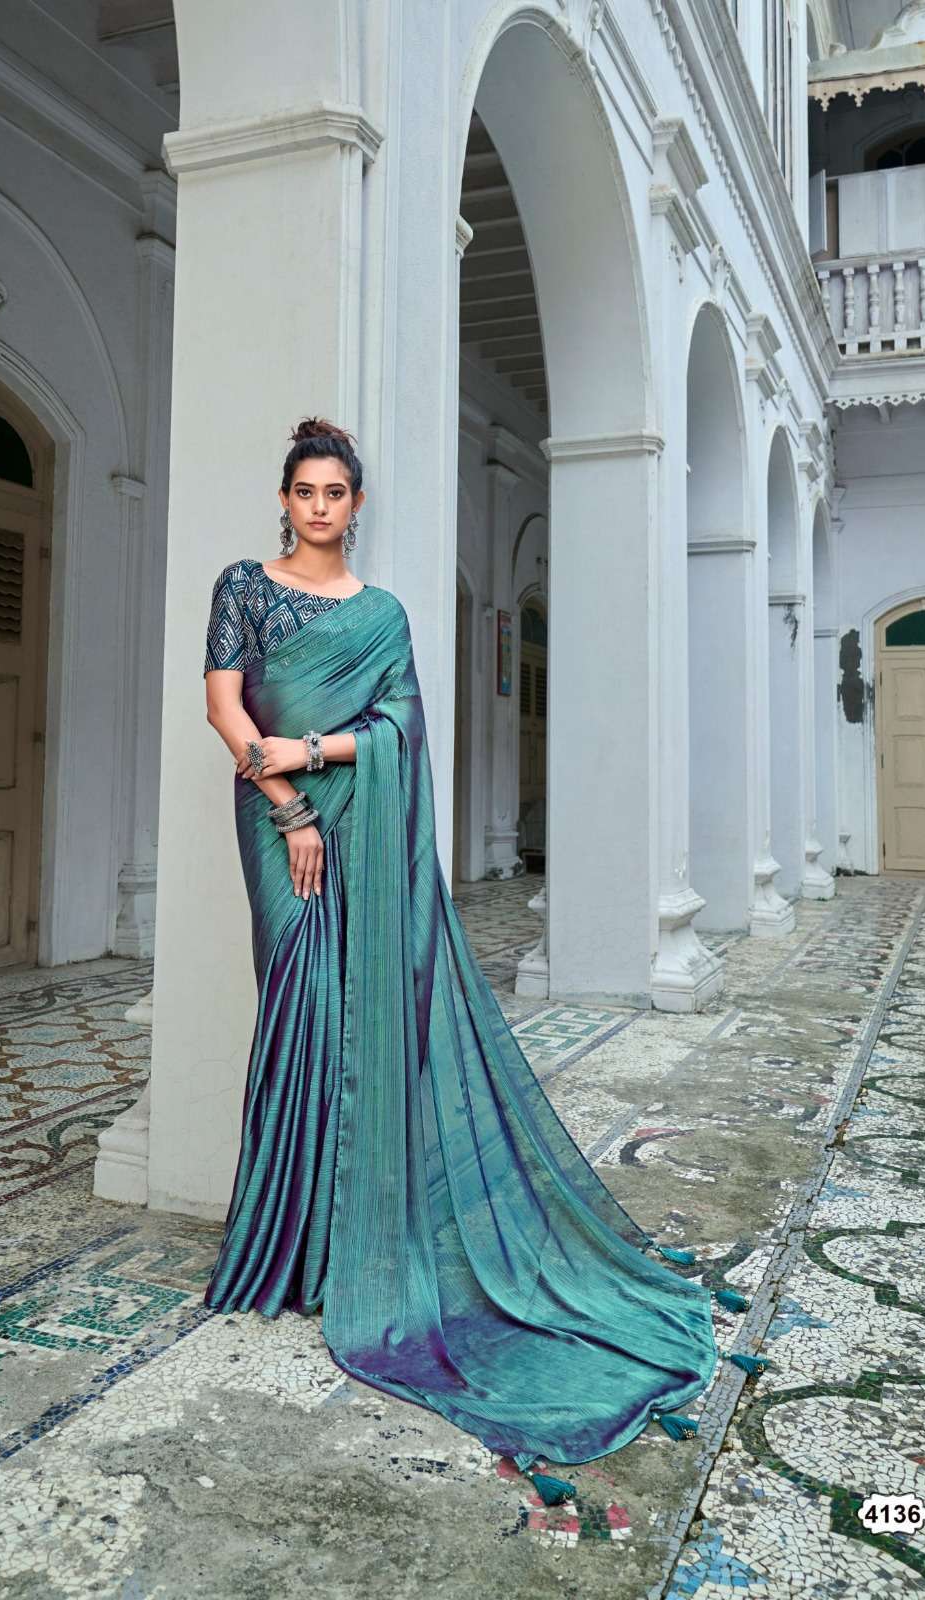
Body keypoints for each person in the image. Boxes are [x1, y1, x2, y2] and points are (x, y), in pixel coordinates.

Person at [200, 418, 744, 1503]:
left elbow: (400, 726)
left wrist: (316, 750)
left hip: (357, 809)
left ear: (357, 504)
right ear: (285, 499)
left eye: (336, 492)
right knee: (298, 1001)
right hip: (278, 821)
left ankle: (348, 1250)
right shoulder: (244, 587)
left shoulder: (384, 614)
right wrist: (291, 805)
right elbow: (223, 705)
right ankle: (288, 1243)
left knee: (364, 1013)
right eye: (305, 491)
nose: (320, 507)